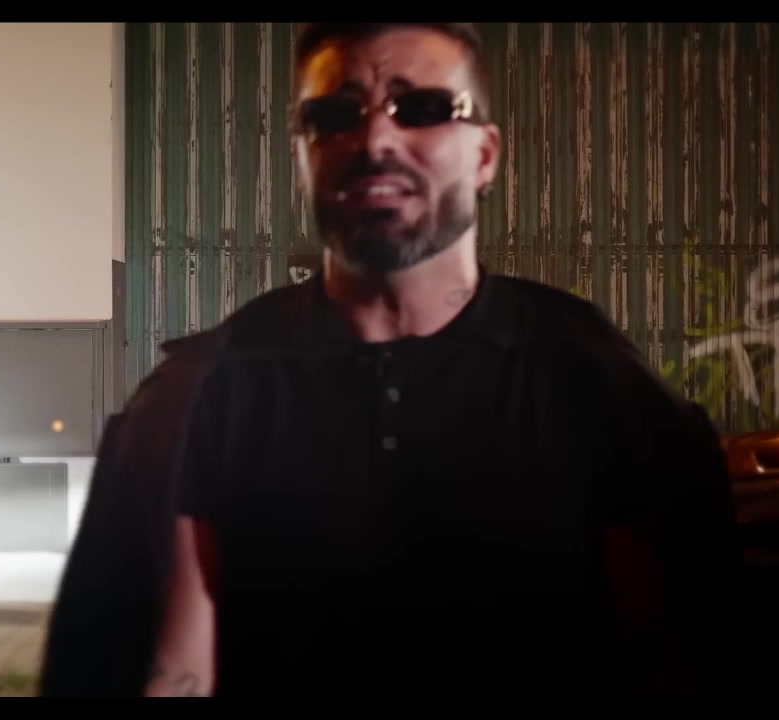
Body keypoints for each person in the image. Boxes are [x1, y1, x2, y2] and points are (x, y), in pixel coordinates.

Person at [37, 22, 742, 698]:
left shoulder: (590, 384)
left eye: (424, 108)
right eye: (335, 114)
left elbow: (669, 657)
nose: (376, 139)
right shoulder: (203, 395)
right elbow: (170, 667)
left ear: (485, 155)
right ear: (302, 155)